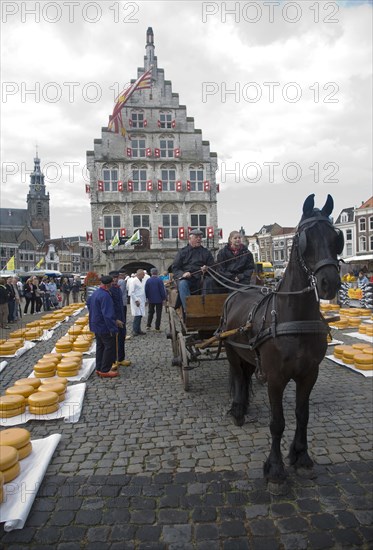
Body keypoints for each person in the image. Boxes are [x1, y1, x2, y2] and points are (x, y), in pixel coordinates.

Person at [172, 228, 215, 311]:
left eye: (200, 237)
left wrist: (207, 269)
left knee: (210, 282)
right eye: (196, 237)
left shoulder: (206, 252)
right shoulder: (182, 252)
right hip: (188, 279)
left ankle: (208, 307)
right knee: (183, 284)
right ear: (190, 238)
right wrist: (183, 274)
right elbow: (175, 268)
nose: (199, 239)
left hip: (202, 278)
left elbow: (213, 267)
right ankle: (189, 310)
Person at [87, 275, 119, 378]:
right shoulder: (105, 296)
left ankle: (99, 368)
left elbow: (89, 305)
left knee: (100, 347)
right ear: (108, 284)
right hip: (104, 326)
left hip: (95, 324)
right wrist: (113, 328)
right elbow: (108, 314)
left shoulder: (95, 293)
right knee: (109, 347)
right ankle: (105, 370)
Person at [108, 271, 131, 368]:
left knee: (122, 338)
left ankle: (121, 358)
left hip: (121, 317)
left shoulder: (117, 288)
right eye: (113, 278)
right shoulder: (110, 289)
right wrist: (115, 319)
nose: (115, 279)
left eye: (116, 277)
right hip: (115, 319)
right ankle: (113, 360)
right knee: (113, 340)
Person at [129, 269, 146, 336]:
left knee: (140, 315)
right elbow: (131, 292)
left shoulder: (142, 280)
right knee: (137, 315)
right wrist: (136, 300)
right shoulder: (133, 281)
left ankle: (138, 329)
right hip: (136, 301)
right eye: (143, 274)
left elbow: (142, 291)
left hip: (141, 300)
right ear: (139, 274)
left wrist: (145, 300)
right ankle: (135, 330)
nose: (144, 276)